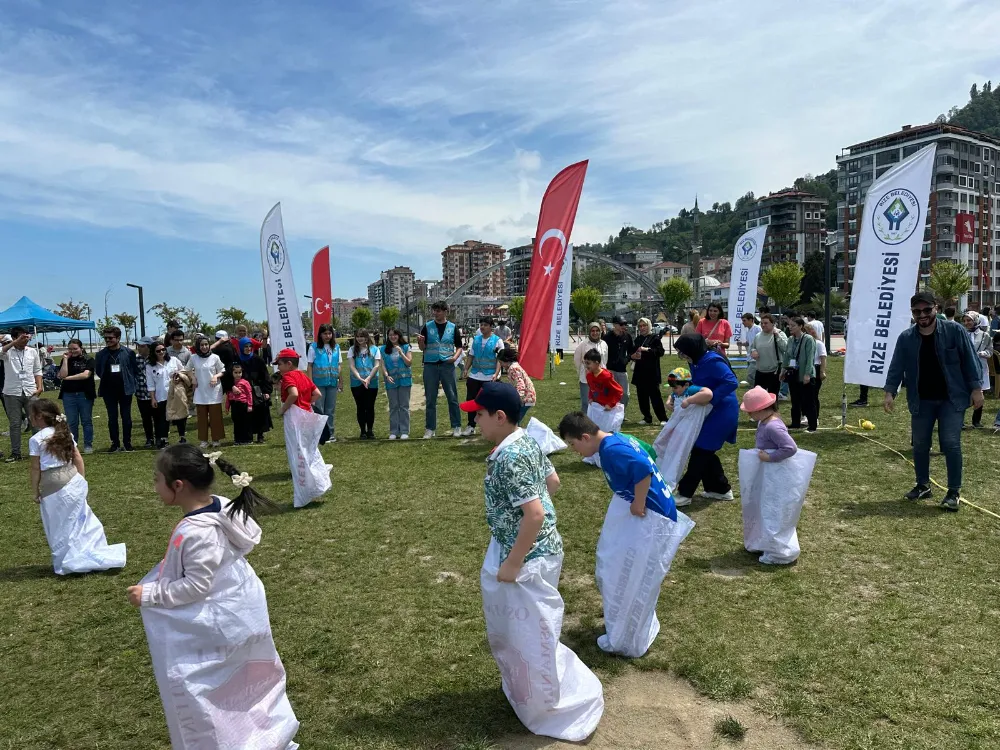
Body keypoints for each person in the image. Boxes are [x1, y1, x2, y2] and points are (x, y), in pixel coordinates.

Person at [127, 445, 298, 749]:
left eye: (157, 480)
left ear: (178, 486)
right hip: (241, 604)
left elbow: (195, 586)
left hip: (222, 619)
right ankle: (256, 734)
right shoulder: (221, 505)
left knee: (204, 687)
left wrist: (150, 594)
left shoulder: (195, 532)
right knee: (245, 679)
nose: (154, 487)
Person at [461, 383, 603, 740]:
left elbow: (535, 514)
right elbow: (551, 482)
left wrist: (513, 561)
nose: (475, 420)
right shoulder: (526, 441)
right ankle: (532, 689)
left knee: (530, 630)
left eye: (478, 414)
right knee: (530, 628)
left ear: (499, 417)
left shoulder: (509, 456)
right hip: (537, 549)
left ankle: (547, 701)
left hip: (527, 558)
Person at [558, 410, 686, 657]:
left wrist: (639, 502)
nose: (574, 451)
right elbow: (648, 451)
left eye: (573, 445)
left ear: (585, 437)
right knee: (631, 570)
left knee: (632, 572)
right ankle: (632, 624)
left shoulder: (611, 450)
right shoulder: (616, 438)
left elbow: (642, 468)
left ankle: (628, 636)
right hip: (655, 511)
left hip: (653, 516)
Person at [885, 291, 983, 511]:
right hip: (922, 401)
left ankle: (953, 492)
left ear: (936, 308)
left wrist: (977, 389)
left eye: (927, 310)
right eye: (917, 311)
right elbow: (896, 366)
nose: (922, 315)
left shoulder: (954, 330)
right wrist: (890, 392)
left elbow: (970, 361)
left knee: (950, 443)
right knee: (920, 445)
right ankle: (923, 485)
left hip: (952, 399)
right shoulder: (906, 338)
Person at [28, 399, 126, 574]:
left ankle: (69, 559)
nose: (30, 418)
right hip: (73, 477)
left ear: (40, 417)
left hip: (53, 483)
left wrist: (35, 491)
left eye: (32, 416)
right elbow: (77, 458)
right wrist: (81, 480)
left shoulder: (36, 439)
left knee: (60, 523)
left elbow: (36, 468)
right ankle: (89, 552)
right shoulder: (64, 433)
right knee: (81, 519)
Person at [672, 334, 739, 506]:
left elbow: (731, 382)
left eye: (683, 352)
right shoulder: (695, 361)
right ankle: (720, 489)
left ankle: (685, 493)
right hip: (708, 410)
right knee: (704, 449)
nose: (682, 355)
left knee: (701, 450)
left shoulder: (712, 361)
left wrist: (711, 399)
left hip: (723, 411)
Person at [418, 301, 464, 439]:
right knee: (430, 398)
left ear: (445, 311)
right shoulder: (427, 326)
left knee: (452, 396)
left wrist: (455, 358)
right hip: (430, 365)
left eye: (438, 311)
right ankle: (430, 428)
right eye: (434, 311)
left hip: (447, 365)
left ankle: (456, 426)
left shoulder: (453, 327)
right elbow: (422, 348)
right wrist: (420, 342)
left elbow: (459, 346)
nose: (436, 313)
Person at [95, 326, 139, 454]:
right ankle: (115, 443)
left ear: (118, 338)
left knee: (126, 417)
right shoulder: (101, 354)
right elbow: (98, 371)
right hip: (109, 391)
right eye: (106, 338)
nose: (107, 340)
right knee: (112, 418)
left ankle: (127, 443)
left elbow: (134, 369)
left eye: (110, 338)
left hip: (126, 390)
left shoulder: (129, 353)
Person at [1, 328, 42, 462]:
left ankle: (38, 452)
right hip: (11, 392)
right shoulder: (7, 352)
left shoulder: (32, 351)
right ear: (14, 338)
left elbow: (37, 370)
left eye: (26, 338)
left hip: (31, 391)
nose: (24, 340)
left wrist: (40, 386)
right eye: (21, 338)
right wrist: (14, 342)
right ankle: (16, 453)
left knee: (36, 422)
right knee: (15, 423)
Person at [462, 316, 504, 435]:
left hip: (490, 376)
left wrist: (496, 374)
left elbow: (499, 359)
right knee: (471, 400)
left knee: (490, 403)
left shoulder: (497, 341)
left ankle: (492, 426)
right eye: (481, 324)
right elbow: (471, 355)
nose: (482, 327)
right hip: (475, 375)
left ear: (491, 327)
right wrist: (466, 369)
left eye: (485, 325)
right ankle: (471, 425)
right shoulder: (476, 340)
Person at [57, 338, 96, 454]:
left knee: (86, 421)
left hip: (84, 394)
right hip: (68, 395)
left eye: (75, 349)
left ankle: (88, 445)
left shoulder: (89, 359)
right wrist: (64, 360)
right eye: (70, 349)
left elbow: (85, 375)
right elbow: (62, 374)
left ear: (81, 348)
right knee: (72, 421)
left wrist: (67, 378)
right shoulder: (66, 360)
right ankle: (73, 445)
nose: (72, 351)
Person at [780, 317, 818, 433]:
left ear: (801, 326)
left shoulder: (808, 339)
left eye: (793, 325)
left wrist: (807, 374)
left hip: (805, 374)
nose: (790, 327)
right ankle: (795, 423)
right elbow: (787, 356)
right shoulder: (791, 339)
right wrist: (783, 371)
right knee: (795, 401)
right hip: (793, 374)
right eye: (789, 325)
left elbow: (810, 358)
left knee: (808, 401)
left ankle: (812, 426)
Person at [741, 386, 797, 463]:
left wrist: (769, 457)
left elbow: (790, 448)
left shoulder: (772, 427)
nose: (748, 414)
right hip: (768, 467)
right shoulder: (763, 421)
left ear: (759, 410)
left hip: (775, 469)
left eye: (750, 412)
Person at [189, 336, 226, 448]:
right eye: (202, 345)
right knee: (202, 418)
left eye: (206, 344)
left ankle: (216, 439)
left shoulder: (215, 357)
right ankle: (203, 440)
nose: (204, 347)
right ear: (198, 346)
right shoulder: (194, 358)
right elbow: (187, 369)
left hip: (214, 392)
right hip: (200, 392)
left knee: (215, 417)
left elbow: (223, 370)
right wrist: (193, 378)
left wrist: (216, 376)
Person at [630, 317, 667, 425]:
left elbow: (660, 352)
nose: (642, 328)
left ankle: (663, 418)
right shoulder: (638, 339)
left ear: (649, 326)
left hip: (652, 372)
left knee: (655, 397)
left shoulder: (654, 338)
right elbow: (632, 352)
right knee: (642, 397)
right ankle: (647, 417)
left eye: (644, 325)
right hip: (640, 372)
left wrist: (648, 350)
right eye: (640, 326)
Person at [146, 341, 183, 449]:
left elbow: (184, 371)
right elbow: (150, 384)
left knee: (180, 416)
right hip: (161, 395)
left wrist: (179, 376)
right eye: (158, 351)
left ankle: (182, 438)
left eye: (163, 349)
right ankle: (164, 440)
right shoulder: (149, 366)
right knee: (162, 419)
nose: (161, 352)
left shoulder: (174, 360)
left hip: (176, 394)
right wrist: (153, 398)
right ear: (154, 352)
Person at [307, 324, 342, 440]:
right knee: (319, 409)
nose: (327, 336)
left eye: (329, 333)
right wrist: (311, 384)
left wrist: (340, 381)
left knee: (330, 410)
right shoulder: (314, 347)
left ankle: (330, 433)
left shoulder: (336, 347)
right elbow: (310, 366)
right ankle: (320, 434)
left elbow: (339, 365)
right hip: (319, 383)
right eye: (325, 333)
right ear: (320, 335)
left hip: (332, 382)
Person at [237, 338, 273, 444]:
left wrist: (266, 391)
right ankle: (248, 434)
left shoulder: (258, 359)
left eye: (250, 346)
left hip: (257, 389)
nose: (248, 349)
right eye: (245, 347)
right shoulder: (237, 359)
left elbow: (265, 376)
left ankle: (260, 435)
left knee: (260, 411)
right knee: (247, 412)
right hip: (243, 390)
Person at [347, 328, 381, 440]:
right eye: (358, 336)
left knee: (370, 406)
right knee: (360, 407)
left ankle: (370, 431)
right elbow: (352, 366)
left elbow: (376, 365)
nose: (360, 338)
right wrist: (360, 378)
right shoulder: (352, 349)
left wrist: (368, 378)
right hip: (357, 382)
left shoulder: (375, 349)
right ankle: (363, 431)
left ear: (367, 337)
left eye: (362, 336)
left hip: (372, 382)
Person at [961, 310, 992, 429]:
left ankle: (976, 421)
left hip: (981, 367)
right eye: (965, 321)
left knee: (980, 393)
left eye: (969, 320)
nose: (966, 323)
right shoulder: (963, 334)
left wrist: (982, 353)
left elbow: (990, 351)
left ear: (976, 320)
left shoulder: (985, 336)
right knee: (964, 393)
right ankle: (960, 421)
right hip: (965, 367)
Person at [381, 328, 413, 440]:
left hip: (404, 381)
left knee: (404, 406)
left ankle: (404, 431)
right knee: (393, 406)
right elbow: (383, 365)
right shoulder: (383, 349)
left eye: (395, 335)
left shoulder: (406, 347)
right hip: (391, 381)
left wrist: (401, 353)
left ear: (399, 336)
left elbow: (409, 363)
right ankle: (394, 431)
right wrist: (386, 375)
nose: (392, 337)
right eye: (390, 335)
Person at [748, 313, 787, 396]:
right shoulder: (758, 336)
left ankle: (773, 409)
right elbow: (752, 347)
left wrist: (777, 336)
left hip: (774, 371)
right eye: (761, 323)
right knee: (758, 397)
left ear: (773, 324)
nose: (763, 325)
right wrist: (753, 351)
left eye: (766, 323)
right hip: (760, 371)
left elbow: (785, 348)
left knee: (772, 397)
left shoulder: (780, 334)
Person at [573, 322, 608, 411]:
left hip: (601, 378)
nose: (595, 333)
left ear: (600, 331)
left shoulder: (604, 344)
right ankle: (585, 423)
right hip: (586, 379)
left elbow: (605, 360)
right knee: (587, 403)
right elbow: (577, 360)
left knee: (600, 402)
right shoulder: (583, 344)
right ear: (589, 331)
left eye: (597, 330)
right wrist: (582, 371)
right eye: (592, 330)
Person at [497, 347, 536, 425]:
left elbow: (520, 385)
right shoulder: (514, 366)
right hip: (527, 397)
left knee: (514, 421)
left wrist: (516, 399)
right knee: (514, 420)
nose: (501, 365)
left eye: (501, 363)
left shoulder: (513, 368)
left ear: (506, 360)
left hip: (525, 399)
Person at [602, 317, 634, 410]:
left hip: (622, 370)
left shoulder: (627, 336)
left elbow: (631, 351)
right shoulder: (607, 337)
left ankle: (621, 413)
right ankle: (611, 411)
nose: (623, 326)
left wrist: (626, 360)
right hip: (610, 370)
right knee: (611, 392)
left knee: (625, 394)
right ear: (614, 325)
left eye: (625, 324)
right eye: (621, 324)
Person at [134, 337, 156, 449]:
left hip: (156, 395)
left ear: (149, 347)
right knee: (145, 418)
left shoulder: (156, 359)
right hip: (141, 394)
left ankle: (160, 438)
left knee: (157, 418)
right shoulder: (136, 359)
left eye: (142, 346)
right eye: (138, 346)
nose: (139, 348)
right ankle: (149, 438)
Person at [226, 363, 255, 445]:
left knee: (246, 422)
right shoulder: (230, 384)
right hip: (234, 405)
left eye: (239, 372)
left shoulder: (245, 382)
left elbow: (249, 394)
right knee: (236, 422)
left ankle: (248, 439)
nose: (238, 374)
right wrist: (227, 407)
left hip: (243, 404)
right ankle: (238, 439)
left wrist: (250, 405)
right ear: (232, 373)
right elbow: (228, 396)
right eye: (235, 373)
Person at [806, 323, 828, 423]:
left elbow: (823, 358)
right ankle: (806, 415)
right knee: (805, 395)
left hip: (815, 368)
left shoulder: (818, 343)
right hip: (805, 368)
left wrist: (822, 371)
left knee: (813, 395)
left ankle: (815, 417)